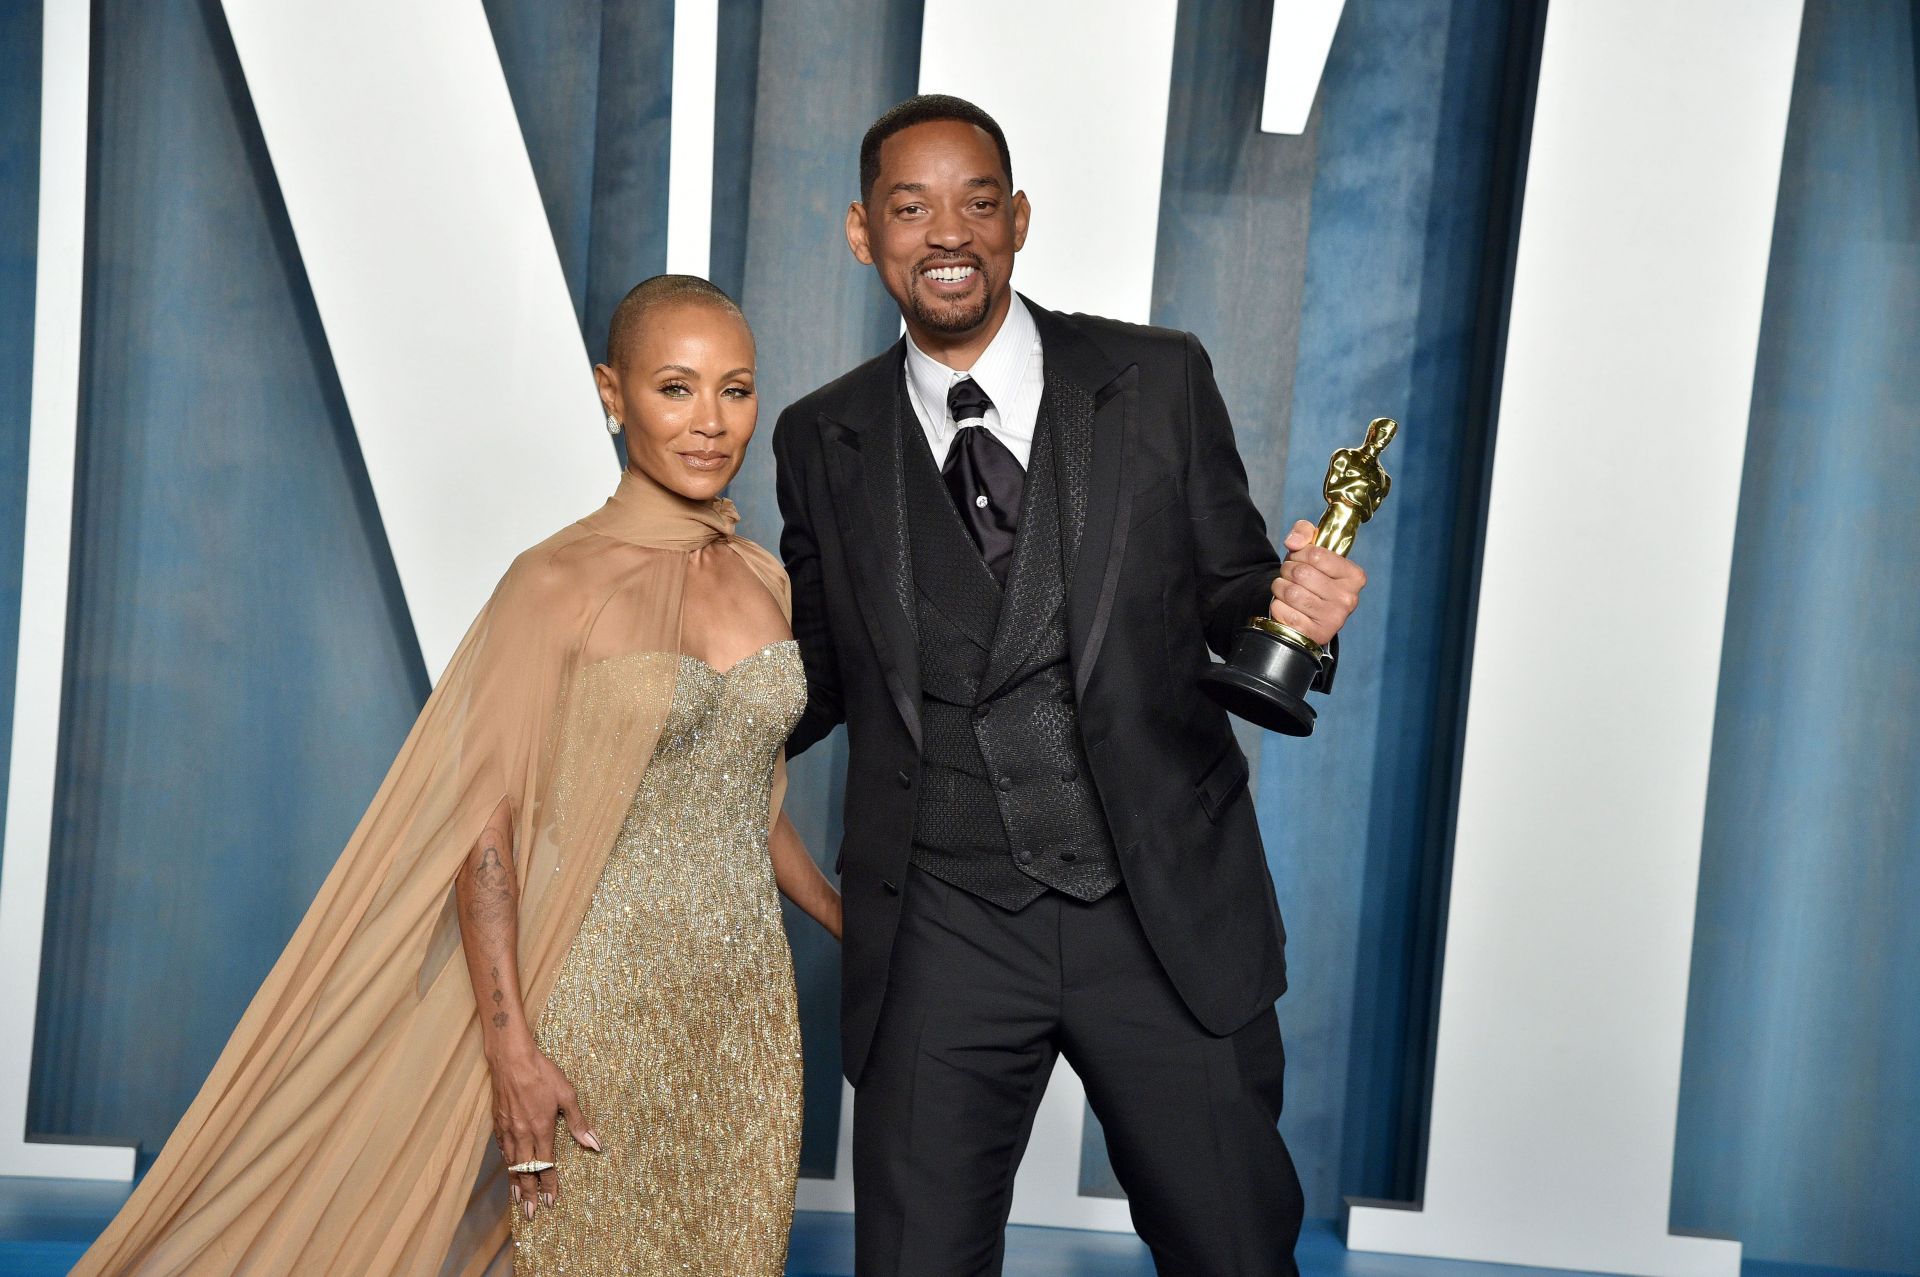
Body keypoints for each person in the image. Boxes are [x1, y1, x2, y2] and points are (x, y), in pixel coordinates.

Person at [74, 275, 838, 1276]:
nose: (711, 422)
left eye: (734, 390)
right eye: (675, 388)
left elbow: (746, 800)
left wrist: (847, 917)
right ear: (613, 395)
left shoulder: (762, 575)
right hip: (599, 1007)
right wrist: (513, 1051)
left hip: (746, 1019)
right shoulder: (552, 582)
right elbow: (485, 829)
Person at [772, 96, 1369, 1274]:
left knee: (1235, 1252)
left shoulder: (1156, 377)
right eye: (912, 207)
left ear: (1019, 220)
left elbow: (1231, 585)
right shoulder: (817, 435)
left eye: (978, 203)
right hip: (941, 920)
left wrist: (1293, 609)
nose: (950, 233)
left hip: (1154, 906)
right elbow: (821, 677)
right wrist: (664, 688)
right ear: (862, 232)